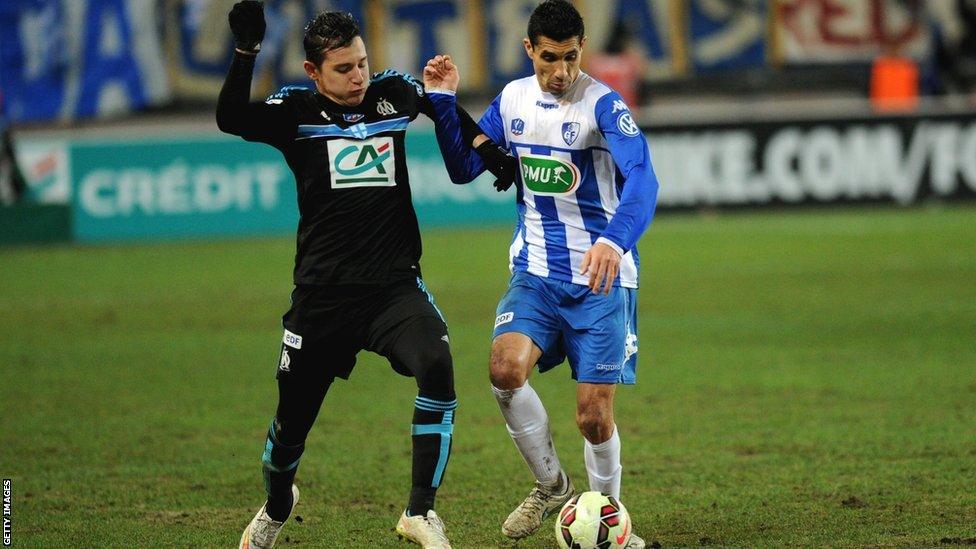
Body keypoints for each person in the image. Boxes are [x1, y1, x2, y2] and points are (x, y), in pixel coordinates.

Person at [215, 3, 515, 548]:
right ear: (313, 72)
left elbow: (448, 112)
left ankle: (420, 513)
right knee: (290, 428)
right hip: (322, 297)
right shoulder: (295, 111)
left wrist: (490, 154)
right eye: (344, 69)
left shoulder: (392, 92)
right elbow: (231, 118)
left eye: (362, 63)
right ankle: (279, 504)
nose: (358, 77)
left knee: (437, 363)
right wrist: (246, 52)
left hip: (392, 288)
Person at [421, 1, 659, 547]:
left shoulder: (604, 106)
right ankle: (551, 484)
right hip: (536, 272)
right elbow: (464, 168)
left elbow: (644, 180)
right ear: (530, 50)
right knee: (505, 368)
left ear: (582, 50)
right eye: (549, 58)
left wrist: (613, 242)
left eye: (571, 58)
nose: (561, 72)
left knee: (593, 417)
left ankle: (608, 517)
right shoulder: (512, 99)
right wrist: (441, 103)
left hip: (601, 279)